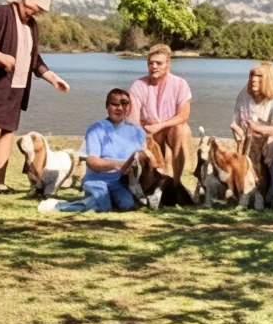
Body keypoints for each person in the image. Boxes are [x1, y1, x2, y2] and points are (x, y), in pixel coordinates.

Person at [0, 0, 72, 198]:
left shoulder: (31, 25)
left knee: (7, 132)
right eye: (34, 7)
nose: (35, 13)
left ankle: (0, 183)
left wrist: (52, 78)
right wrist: (0, 57)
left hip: (17, 87)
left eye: (39, 10)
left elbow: (35, 59)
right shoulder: (1, 13)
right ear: (23, 0)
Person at [51, 89, 143, 212]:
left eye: (124, 104)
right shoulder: (96, 129)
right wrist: (119, 165)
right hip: (97, 180)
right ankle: (56, 206)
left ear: (129, 107)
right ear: (107, 106)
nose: (119, 108)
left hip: (122, 182)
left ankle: (112, 199)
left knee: (127, 205)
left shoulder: (138, 132)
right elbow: (92, 162)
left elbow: (144, 159)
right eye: (114, 104)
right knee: (102, 206)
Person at [129, 44, 193, 178]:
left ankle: (179, 179)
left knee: (182, 129)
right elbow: (132, 119)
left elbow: (184, 115)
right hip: (148, 131)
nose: (154, 67)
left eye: (159, 63)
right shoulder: (138, 85)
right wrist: (143, 132)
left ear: (168, 64)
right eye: (151, 63)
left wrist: (160, 125)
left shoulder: (180, 84)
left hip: (168, 129)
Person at [231, 61, 273, 193]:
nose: (254, 80)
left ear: (269, 79)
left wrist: (259, 129)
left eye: (259, 76)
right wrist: (239, 134)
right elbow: (235, 123)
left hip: (269, 140)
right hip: (248, 139)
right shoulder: (244, 95)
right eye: (252, 75)